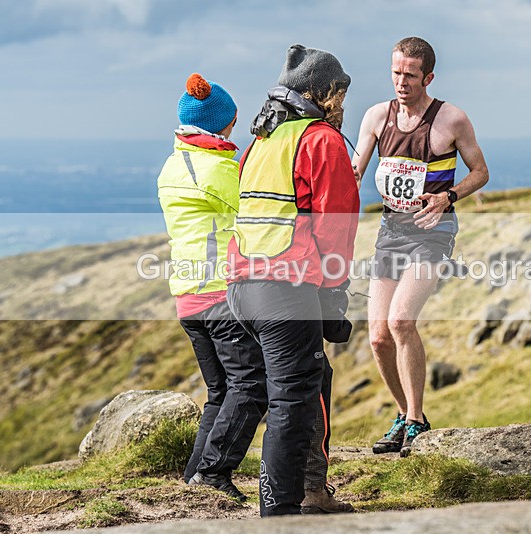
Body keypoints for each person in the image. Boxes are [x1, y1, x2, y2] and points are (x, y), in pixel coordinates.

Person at [226, 44, 360, 516]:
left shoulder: (261, 142)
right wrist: (334, 292)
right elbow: (336, 226)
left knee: (306, 381)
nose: (343, 103)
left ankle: (310, 492)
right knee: (292, 400)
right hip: (287, 289)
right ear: (323, 92)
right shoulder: (322, 140)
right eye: (340, 92)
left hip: (243, 287)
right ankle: (278, 511)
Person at [352, 37, 489, 457]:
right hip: (391, 231)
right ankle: (404, 416)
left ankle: (416, 419)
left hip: (433, 230)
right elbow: (354, 171)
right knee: (377, 337)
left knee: (401, 321)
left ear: (428, 76)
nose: (401, 81)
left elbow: (480, 172)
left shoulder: (451, 119)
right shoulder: (377, 116)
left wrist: (448, 196)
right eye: (396, 72)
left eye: (410, 75)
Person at [157, 73, 255, 501]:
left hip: (187, 298)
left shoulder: (173, 164)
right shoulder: (217, 169)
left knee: (221, 390)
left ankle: (195, 478)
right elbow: (255, 213)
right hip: (219, 295)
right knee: (252, 384)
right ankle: (214, 474)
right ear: (225, 124)